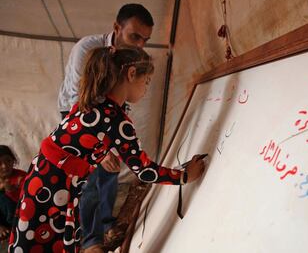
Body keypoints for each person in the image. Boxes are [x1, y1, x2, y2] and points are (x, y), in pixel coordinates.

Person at [9, 46, 206, 253]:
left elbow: (76, 142)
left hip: (43, 178)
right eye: (146, 81)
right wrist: (184, 176)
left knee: (35, 240)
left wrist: (101, 154)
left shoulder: (94, 103)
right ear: (131, 74)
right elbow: (144, 170)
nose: (146, 89)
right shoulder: (115, 118)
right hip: (54, 188)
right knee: (43, 243)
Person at [57, 3, 154, 251]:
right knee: (90, 176)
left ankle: (106, 223)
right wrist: (100, 149)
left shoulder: (131, 57)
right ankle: (91, 240)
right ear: (116, 28)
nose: (140, 45)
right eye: (134, 36)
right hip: (78, 115)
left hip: (107, 118)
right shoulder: (87, 49)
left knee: (110, 171)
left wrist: (115, 142)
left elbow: (119, 99)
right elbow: (80, 102)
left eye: (145, 39)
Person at [0, 146, 26, 244]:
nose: (4, 166)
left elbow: (28, 201)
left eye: (8, 161)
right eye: (0, 163)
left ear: (13, 160)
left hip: (20, 219)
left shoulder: (22, 177)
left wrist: (11, 191)